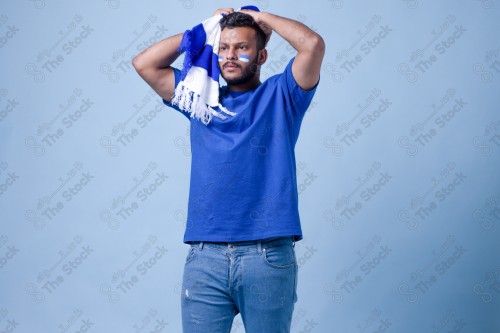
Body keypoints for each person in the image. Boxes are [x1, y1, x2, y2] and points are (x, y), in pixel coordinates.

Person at [133, 7, 325, 333]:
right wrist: (205, 29)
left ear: (262, 55)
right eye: (223, 47)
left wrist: (262, 18)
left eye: (242, 48)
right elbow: (145, 64)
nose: (230, 55)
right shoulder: (200, 99)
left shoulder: (283, 96)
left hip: (267, 256)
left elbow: (312, 45)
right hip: (205, 257)